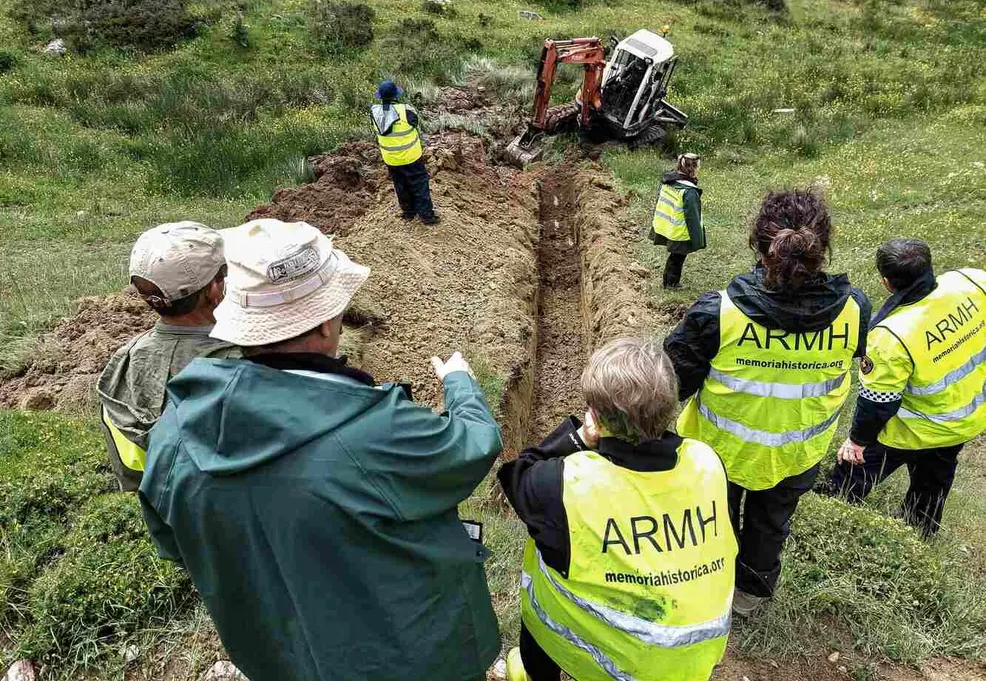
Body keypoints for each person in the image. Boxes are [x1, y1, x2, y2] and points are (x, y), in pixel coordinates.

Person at [138, 218, 502, 681]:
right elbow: (472, 446)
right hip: (405, 656)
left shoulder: (174, 432)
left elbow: (174, 543)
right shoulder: (376, 430)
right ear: (328, 321)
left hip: (278, 656)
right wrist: (460, 385)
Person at [665, 190, 871, 617]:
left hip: (715, 451)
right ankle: (751, 595)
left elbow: (673, 382)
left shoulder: (717, 313)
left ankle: (706, 587)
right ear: (823, 248)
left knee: (710, 521)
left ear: (758, 245)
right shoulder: (854, 309)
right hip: (796, 454)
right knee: (771, 523)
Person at [499, 338, 736, 681]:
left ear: (596, 415)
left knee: (542, 572)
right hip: (696, 657)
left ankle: (536, 671)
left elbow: (517, 473)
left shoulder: (565, 484)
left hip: (614, 662)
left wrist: (579, 437)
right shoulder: (706, 463)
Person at [830, 239, 986, 537]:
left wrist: (857, 442)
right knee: (933, 482)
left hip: (912, 430)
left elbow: (878, 403)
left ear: (887, 283)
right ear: (928, 265)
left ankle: (833, 520)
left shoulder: (891, 336)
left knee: (852, 476)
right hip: (964, 419)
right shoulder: (971, 280)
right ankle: (921, 530)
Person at [98, 222, 238, 492]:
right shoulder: (239, 362)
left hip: (160, 506)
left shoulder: (122, 363)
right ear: (214, 289)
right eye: (222, 273)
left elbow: (129, 469)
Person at [371, 79, 439, 225]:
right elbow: (415, 123)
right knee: (419, 185)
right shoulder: (406, 110)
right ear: (396, 95)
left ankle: (408, 212)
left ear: (380, 96)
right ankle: (427, 217)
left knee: (400, 184)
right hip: (411, 157)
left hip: (391, 159)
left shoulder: (375, 113)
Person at [650, 153, 705, 289]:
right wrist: (698, 239)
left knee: (675, 256)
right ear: (693, 168)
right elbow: (693, 218)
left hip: (667, 225)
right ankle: (671, 283)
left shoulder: (669, 182)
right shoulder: (689, 191)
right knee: (677, 257)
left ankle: (668, 281)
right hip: (680, 231)